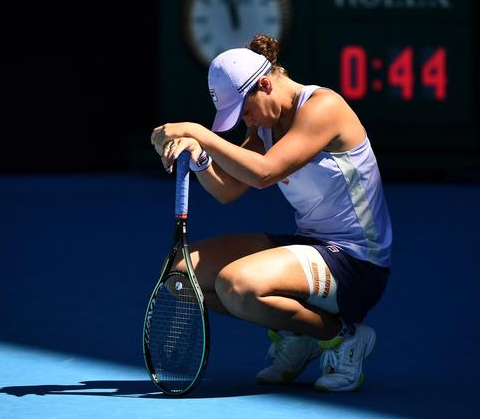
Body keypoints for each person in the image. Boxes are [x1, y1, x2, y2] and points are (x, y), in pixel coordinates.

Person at [150, 34, 392, 392]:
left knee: (238, 285)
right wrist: (199, 157)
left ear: (264, 84)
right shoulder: (263, 126)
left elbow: (264, 173)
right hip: (312, 246)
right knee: (180, 276)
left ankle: (342, 335)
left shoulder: (324, 107)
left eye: (244, 110)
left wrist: (200, 133)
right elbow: (229, 190)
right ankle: (299, 330)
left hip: (357, 263)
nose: (244, 120)